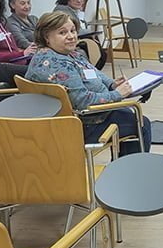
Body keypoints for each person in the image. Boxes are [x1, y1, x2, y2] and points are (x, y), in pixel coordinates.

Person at [25, 11, 151, 155]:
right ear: (46, 37)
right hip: (84, 124)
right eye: (62, 32)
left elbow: (93, 73)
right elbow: (83, 101)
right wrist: (117, 94)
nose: (71, 36)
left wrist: (112, 84)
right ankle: (129, 168)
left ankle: (123, 165)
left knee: (128, 113)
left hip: (86, 117)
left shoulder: (64, 54)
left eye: (73, 31)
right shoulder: (58, 64)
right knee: (141, 123)